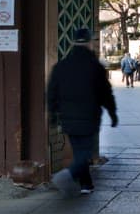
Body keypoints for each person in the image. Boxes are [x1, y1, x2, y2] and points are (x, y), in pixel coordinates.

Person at [47, 28, 118, 197]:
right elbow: (105, 93)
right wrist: (112, 113)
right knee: (85, 152)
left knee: (79, 151)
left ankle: (86, 184)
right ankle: (67, 175)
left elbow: (52, 92)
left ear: (73, 42)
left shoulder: (61, 66)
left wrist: (52, 114)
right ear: (89, 43)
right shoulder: (95, 67)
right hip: (89, 117)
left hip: (68, 117)